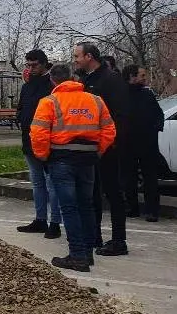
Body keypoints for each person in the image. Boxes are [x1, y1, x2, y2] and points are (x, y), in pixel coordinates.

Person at [30, 63, 116, 272]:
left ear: (53, 80)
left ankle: (77, 255)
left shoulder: (49, 102)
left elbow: (38, 134)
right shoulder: (95, 100)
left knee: (69, 208)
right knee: (86, 205)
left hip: (61, 159)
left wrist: (43, 157)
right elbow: (109, 130)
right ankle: (87, 253)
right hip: (88, 159)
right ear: (73, 78)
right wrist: (97, 151)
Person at [73, 42, 130, 256]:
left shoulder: (111, 79)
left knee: (113, 193)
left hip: (109, 148)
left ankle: (119, 240)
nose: (75, 60)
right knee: (92, 193)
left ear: (89, 56)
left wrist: (111, 144)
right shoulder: (86, 81)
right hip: (90, 148)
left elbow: (121, 116)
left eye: (77, 56)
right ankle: (93, 235)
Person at [15, 49, 61, 238]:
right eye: (28, 65)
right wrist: (21, 118)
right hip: (29, 141)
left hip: (47, 143)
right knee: (37, 183)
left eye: (34, 65)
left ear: (44, 64)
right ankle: (40, 219)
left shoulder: (52, 86)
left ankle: (55, 222)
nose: (31, 69)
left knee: (52, 183)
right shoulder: (26, 87)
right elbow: (21, 109)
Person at [122, 64, 162, 222]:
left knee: (150, 177)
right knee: (128, 177)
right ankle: (132, 208)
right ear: (132, 77)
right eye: (142, 75)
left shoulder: (147, 94)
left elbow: (158, 114)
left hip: (148, 143)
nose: (145, 78)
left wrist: (156, 127)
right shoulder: (121, 94)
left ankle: (152, 210)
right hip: (127, 143)